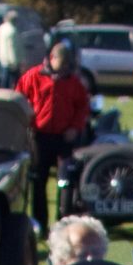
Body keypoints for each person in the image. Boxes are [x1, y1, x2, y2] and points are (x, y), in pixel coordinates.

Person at [18, 40, 91, 229]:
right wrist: (26, 123)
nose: (63, 71)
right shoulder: (32, 77)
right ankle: (39, 223)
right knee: (38, 181)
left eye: (67, 67)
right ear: (51, 59)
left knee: (65, 180)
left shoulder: (74, 82)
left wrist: (75, 127)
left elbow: (83, 106)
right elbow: (18, 99)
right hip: (39, 136)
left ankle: (63, 220)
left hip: (64, 137)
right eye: (61, 66)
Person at [0, 12, 22, 82]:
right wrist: (15, 61)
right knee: (15, 80)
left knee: (5, 78)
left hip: (3, 57)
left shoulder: (1, 28)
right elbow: (12, 47)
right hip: (12, 60)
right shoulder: (12, 30)